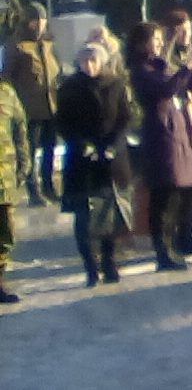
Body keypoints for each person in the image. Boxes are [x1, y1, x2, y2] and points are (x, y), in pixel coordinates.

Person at [128, 21, 192, 272]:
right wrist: (186, 67)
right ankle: (163, 251)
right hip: (161, 134)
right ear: (142, 42)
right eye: (155, 38)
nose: (160, 43)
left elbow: (181, 86)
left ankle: (179, 242)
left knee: (182, 191)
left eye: (161, 38)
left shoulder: (160, 63)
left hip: (177, 130)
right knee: (163, 195)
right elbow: (165, 88)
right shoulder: (140, 69)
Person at [57, 43, 133, 286]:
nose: (88, 65)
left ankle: (109, 262)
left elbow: (125, 118)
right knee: (83, 214)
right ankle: (90, 266)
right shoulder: (69, 87)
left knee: (109, 213)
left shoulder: (116, 84)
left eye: (93, 60)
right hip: (81, 160)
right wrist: (81, 144)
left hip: (111, 160)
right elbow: (63, 122)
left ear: (101, 61)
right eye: (84, 60)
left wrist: (112, 145)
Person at [159, 9, 192, 254]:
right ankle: (170, 239)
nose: (187, 34)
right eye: (181, 30)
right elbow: (167, 81)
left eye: (189, 29)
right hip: (173, 126)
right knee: (175, 187)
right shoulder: (165, 57)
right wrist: (189, 68)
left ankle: (187, 235)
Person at [3, 2, 60, 205]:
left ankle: (49, 186)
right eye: (36, 21)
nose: (40, 26)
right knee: (30, 151)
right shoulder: (17, 47)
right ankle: (33, 190)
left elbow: (55, 72)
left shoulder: (48, 45)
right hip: (29, 109)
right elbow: (7, 78)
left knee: (50, 149)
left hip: (50, 107)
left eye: (43, 21)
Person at [0, 79, 27, 303]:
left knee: (5, 235)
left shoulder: (7, 92)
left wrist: (24, 163)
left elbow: (20, 128)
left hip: (4, 179)